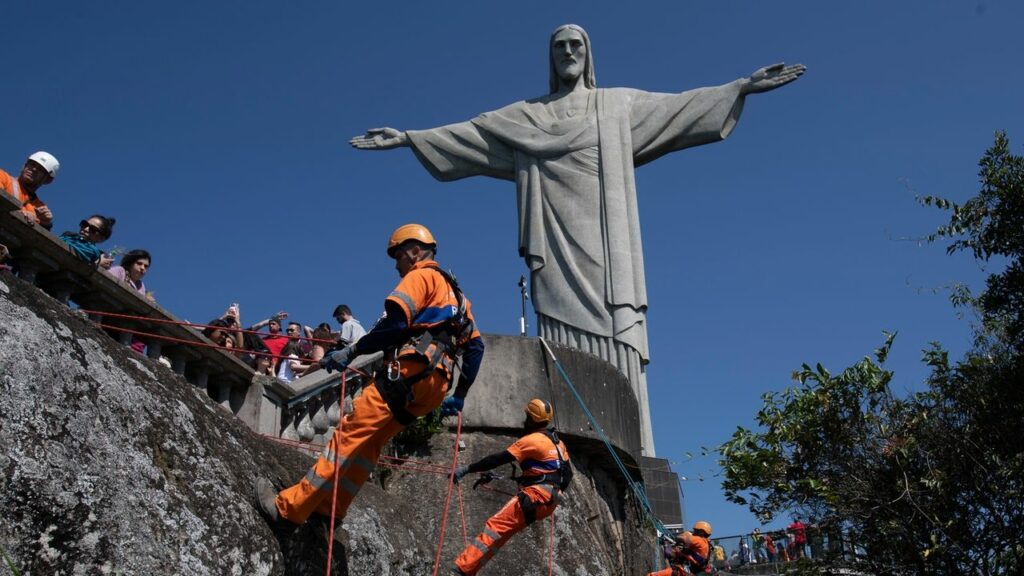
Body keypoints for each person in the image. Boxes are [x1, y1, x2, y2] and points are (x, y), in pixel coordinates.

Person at [350, 24, 805, 455]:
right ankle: (564, 418)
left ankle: (637, 444)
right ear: (550, 58)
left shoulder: (616, 106)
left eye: (576, 46)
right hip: (554, 238)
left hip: (607, 235)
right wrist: (409, 138)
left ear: (588, 56)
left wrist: (740, 87)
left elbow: (680, 107)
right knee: (560, 321)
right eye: (559, 47)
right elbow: (471, 133)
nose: (568, 53)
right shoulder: (527, 116)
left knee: (617, 319)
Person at [255, 223, 485, 530]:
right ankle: (332, 510)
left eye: (398, 257)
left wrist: (353, 352)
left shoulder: (421, 276)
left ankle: (288, 509)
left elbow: (395, 325)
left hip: (410, 371)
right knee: (370, 446)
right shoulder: (459, 297)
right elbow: (476, 347)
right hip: (435, 386)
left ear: (414, 252)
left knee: (349, 435)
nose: (396, 266)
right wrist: (461, 394)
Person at [450, 399, 572, 575]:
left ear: (531, 419)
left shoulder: (531, 440)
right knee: (500, 536)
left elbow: (497, 459)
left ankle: (461, 570)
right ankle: (468, 570)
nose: (524, 421)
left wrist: (468, 469)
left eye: (526, 417)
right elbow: (567, 476)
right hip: (549, 503)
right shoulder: (558, 444)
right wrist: (551, 491)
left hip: (534, 497)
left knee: (494, 528)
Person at [0, 151, 59, 230]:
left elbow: (36, 238)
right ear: (24, 166)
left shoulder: (40, 207)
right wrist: (21, 213)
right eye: (32, 164)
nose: (34, 169)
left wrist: (45, 223)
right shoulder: (3, 177)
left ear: (48, 180)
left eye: (40, 169)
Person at [647, 521, 713, 575]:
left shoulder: (699, 540)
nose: (694, 532)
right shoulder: (706, 544)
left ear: (701, 532)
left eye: (696, 531)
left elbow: (683, 538)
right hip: (693, 571)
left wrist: (685, 535)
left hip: (684, 572)